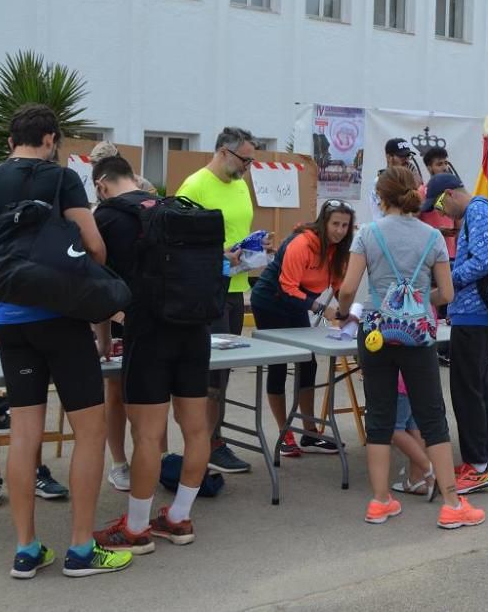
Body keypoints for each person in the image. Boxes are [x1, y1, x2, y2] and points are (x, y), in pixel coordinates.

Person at [0, 104, 131, 578]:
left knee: (24, 435)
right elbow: (93, 243)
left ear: (11, 142)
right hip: (62, 319)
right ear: (51, 139)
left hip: (11, 321)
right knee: (89, 432)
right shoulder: (60, 178)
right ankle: (80, 551)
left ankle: (27, 551)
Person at [336, 165, 484, 528]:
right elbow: (446, 294)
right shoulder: (432, 236)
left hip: (374, 333)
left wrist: (343, 313)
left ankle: (380, 501)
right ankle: (451, 504)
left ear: (382, 198)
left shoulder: (367, 234)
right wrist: (417, 302)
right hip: (417, 334)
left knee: (380, 416)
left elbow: (348, 289)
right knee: (432, 415)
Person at [89, 156, 214, 553]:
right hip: (196, 331)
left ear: (101, 185)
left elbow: (101, 287)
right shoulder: (173, 208)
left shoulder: (108, 217)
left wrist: (105, 339)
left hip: (149, 334)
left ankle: (137, 529)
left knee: (145, 434)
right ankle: (178, 517)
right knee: (196, 430)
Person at [177, 126, 258, 475]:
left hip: (235, 288)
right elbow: (177, 240)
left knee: (222, 373)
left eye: (252, 161)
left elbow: (236, 232)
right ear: (223, 152)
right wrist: (221, 253)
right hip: (205, 290)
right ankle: (205, 443)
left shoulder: (239, 184)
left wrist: (255, 249)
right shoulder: (194, 186)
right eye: (245, 159)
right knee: (207, 372)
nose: (248, 168)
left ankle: (214, 438)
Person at [250, 199, 354, 456]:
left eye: (345, 225)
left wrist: (346, 313)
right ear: (324, 222)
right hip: (271, 300)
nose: (340, 230)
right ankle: (285, 434)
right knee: (279, 364)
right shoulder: (302, 244)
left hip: (297, 300)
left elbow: (340, 285)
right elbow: (287, 289)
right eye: (335, 224)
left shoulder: (340, 248)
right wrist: (324, 310)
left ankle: (310, 433)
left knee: (308, 362)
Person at [422, 173, 488, 494]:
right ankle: (482, 459)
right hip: (476, 313)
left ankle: (478, 465)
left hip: (475, 313)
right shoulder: (479, 211)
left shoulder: (479, 210)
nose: (442, 212)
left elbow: (483, 261)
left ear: (451, 194)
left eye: (441, 204)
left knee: (467, 390)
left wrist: (446, 277)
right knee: (479, 387)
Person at [87, 140, 131, 492]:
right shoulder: (96, 215)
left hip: (136, 317)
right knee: (114, 391)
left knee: (144, 394)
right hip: (117, 317)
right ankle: (119, 462)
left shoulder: (141, 196)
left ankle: (155, 458)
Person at [418, 146, 459, 366]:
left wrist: (456, 233)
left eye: (444, 162)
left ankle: (446, 349)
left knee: (450, 303)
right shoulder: (423, 193)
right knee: (433, 301)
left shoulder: (452, 192)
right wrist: (436, 233)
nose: (443, 167)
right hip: (430, 255)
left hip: (451, 252)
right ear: (429, 167)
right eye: (438, 163)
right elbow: (415, 221)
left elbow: (459, 220)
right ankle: (430, 344)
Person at [369, 138, 416, 220]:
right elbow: (388, 211)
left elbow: (415, 211)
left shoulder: (407, 180)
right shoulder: (380, 181)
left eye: (408, 156)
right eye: (402, 156)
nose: (407, 160)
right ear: (389, 157)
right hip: (383, 229)